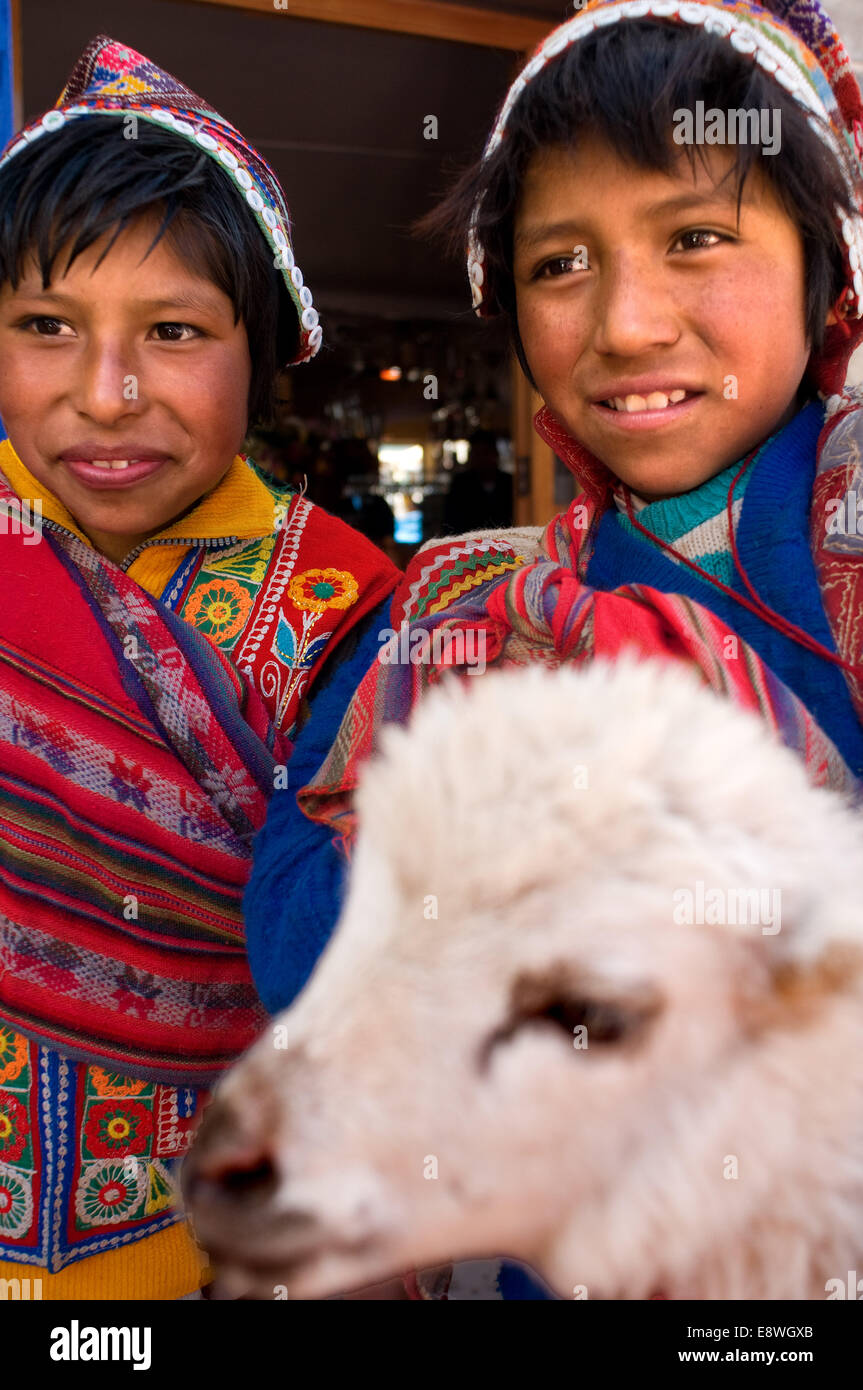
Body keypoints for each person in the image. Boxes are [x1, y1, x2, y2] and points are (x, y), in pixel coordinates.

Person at [244, 0, 863, 1297]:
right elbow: (299, 945)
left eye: (694, 237)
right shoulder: (459, 612)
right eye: (559, 263)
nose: (626, 324)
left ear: (824, 276)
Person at [0, 35, 399, 1298]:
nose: (106, 394)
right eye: (47, 328)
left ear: (266, 347)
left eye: (171, 331)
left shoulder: (346, 607)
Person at [442, 429, 513, 534]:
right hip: (469, 544)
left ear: (496, 455)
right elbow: (451, 522)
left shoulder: (509, 482)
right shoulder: (461, 484)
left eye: (486, 453)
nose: (482, 459)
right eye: (477, 454)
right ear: (471, 457)